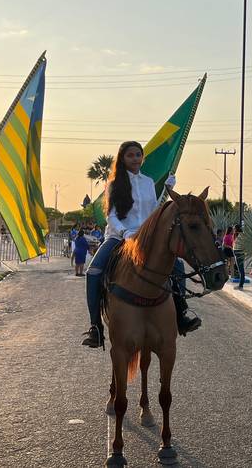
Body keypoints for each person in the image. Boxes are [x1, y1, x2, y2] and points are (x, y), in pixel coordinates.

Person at [81, 140, 200, 348]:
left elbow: (154, 211)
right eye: (131, 155)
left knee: (178, 266)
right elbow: (111, 216)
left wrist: (168, 189)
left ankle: (181, 314)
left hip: (146, 237)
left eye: (138, 155)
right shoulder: (114, 184)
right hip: (119, 237)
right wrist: (125, 232)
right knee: (93, 272)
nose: (135, 158)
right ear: (123, 158)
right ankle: (96, 327)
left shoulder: (147, 182)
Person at [233, 225, 247, 290]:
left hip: (239, 253)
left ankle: (241, 286)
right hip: (237, 253)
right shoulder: (238, 235)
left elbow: (243, 245)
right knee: (240, 270)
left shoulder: (241, 235)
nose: (233, 230)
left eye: (234, 228)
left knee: (241, 270)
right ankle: (240, 285)